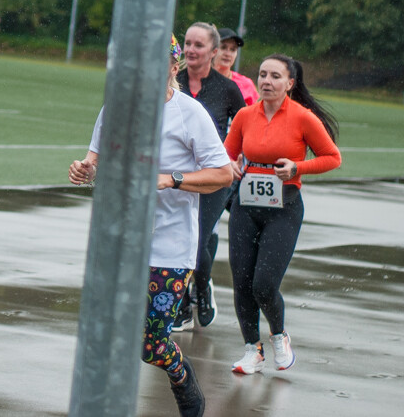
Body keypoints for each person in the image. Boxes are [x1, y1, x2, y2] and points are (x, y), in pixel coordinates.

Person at [69, 35, 232, 417]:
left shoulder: (190, 114)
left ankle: (180, 374)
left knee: (152, 343)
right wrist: (85, 169)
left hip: (169, 246)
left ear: (173, 67)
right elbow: (95, 159)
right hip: (121, 241)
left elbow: (223, 174)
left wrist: (171, 178)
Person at [226, 54, 341, 375]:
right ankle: (252, 349)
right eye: (262, 74)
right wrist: (232, 165)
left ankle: (279, 336)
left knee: (263, 284)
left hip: (284, 208)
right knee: (242, 282)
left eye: (275, 76)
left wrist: (297, 167)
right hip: (245, 206)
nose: (266, 81)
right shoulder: (246, 116)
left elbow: (332, 157)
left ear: (290, 83)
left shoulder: (303, 118)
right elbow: (227, 153)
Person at [174, 22, 246, 330]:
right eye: (188, 43)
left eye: (199, 45)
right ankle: (181, 300)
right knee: (177, 240)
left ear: (213, 52)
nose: (191, 49)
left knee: (198, 239)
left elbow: (245, 126)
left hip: (214, 177)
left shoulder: (227, 88)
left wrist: (237, 159)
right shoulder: (171, 81)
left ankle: (201, 290)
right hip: (175, 174)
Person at [214, 27, 257, 106]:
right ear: (213, 50)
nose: (228, 54)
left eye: (233, 50)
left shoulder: (246, 84)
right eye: (223, 47)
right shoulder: (199, 81)